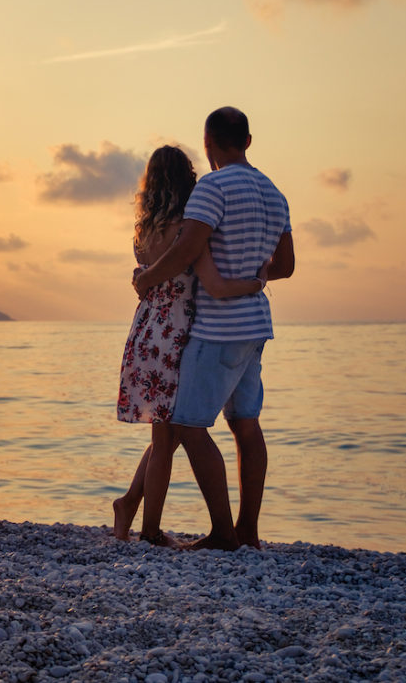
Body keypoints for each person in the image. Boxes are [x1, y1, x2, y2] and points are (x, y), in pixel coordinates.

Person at [132, 107, 294, 551]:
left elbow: (187, 249)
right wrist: (254, 275)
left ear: (208, 143)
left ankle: (224, 533)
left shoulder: (213, 187)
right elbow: (285, 265)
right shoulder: (274, 192)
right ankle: (248, 531)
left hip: (217, 328)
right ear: (248, 141)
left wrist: (147, 278)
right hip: (256, 324)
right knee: (246, 425)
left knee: (187, 425)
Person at [113, 145, 268, 544]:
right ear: (188, 179)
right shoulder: (188, 231)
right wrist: (254, 283)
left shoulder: (143, 230)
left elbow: (149, 279)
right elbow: (212, 283)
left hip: (147, 331)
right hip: (179, 333)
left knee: (166, 435)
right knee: (169, 436)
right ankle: (148, 528)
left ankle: (131, 506)